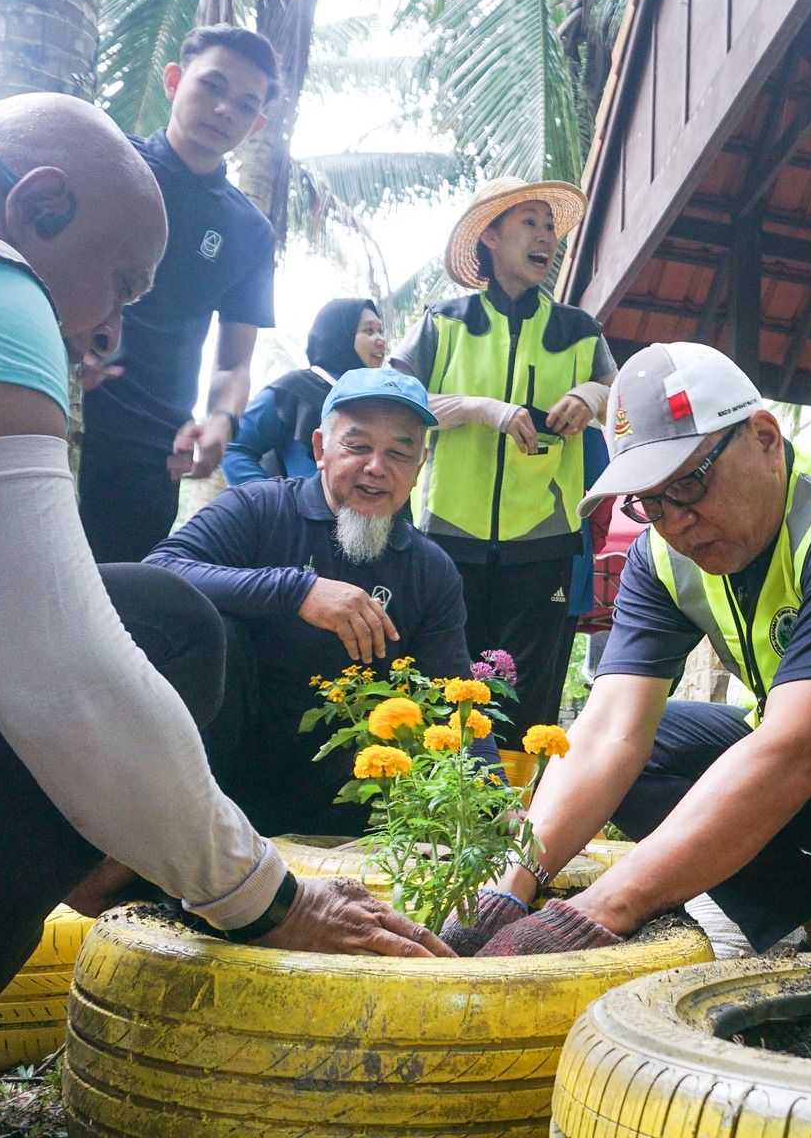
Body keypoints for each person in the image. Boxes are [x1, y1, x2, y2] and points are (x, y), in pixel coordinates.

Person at [0, 94, 447, 1138]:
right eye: (118, 285)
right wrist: (265, 899)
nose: (112, 328)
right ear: (41, 205)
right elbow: (58, 660)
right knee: (157, 624)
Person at [428, 341, 811, 960]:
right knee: (649, 746)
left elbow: (798, 753)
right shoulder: (661, 554)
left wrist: (597, 909)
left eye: (689, 482)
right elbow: (607, 733)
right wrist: (509, 890)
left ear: (765, 438)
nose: (675, 522)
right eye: (649, 501)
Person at [150, 367, 494, 837]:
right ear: (319, 450)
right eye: (357, 446)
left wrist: (490, 797)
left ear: (419, 467)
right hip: (219, 781)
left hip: (346, 806)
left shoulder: (430, 570)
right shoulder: (257, 510)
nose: (377, 467)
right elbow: (159, 574)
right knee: (209, 626)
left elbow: (451, 690)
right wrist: (295, 590)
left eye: (399, 452)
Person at [389, 176, 618, 752]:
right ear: (489, 235)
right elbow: (392, 401)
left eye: (550, 226)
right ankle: (435, 820)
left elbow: (626, 405)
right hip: (448, 537)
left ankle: (516, 824)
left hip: (546, 541)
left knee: (529, 696)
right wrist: (480, 409)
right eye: (530, 223)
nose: (546, 237)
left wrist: (591, 396)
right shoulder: (444, 322)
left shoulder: (580, 331)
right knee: (443, 685)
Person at [79, 24, 281, 563]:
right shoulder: (101, 160)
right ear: (173, 80)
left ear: (256, 123)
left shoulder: (249, 231)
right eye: (211, 86)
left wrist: (222, 420)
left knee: (115, 612)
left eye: (244, 105)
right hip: (46, 416)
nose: (223, 110)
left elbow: (233, 365)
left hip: (149, 454)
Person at [222, 297, 388, 483]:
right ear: (339, 335)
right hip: (305, 512)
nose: (381, 340)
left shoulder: (381, 398)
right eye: (368, 330)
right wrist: (270, 503)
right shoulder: (295, 390)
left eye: (380, 331)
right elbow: (233, 447)